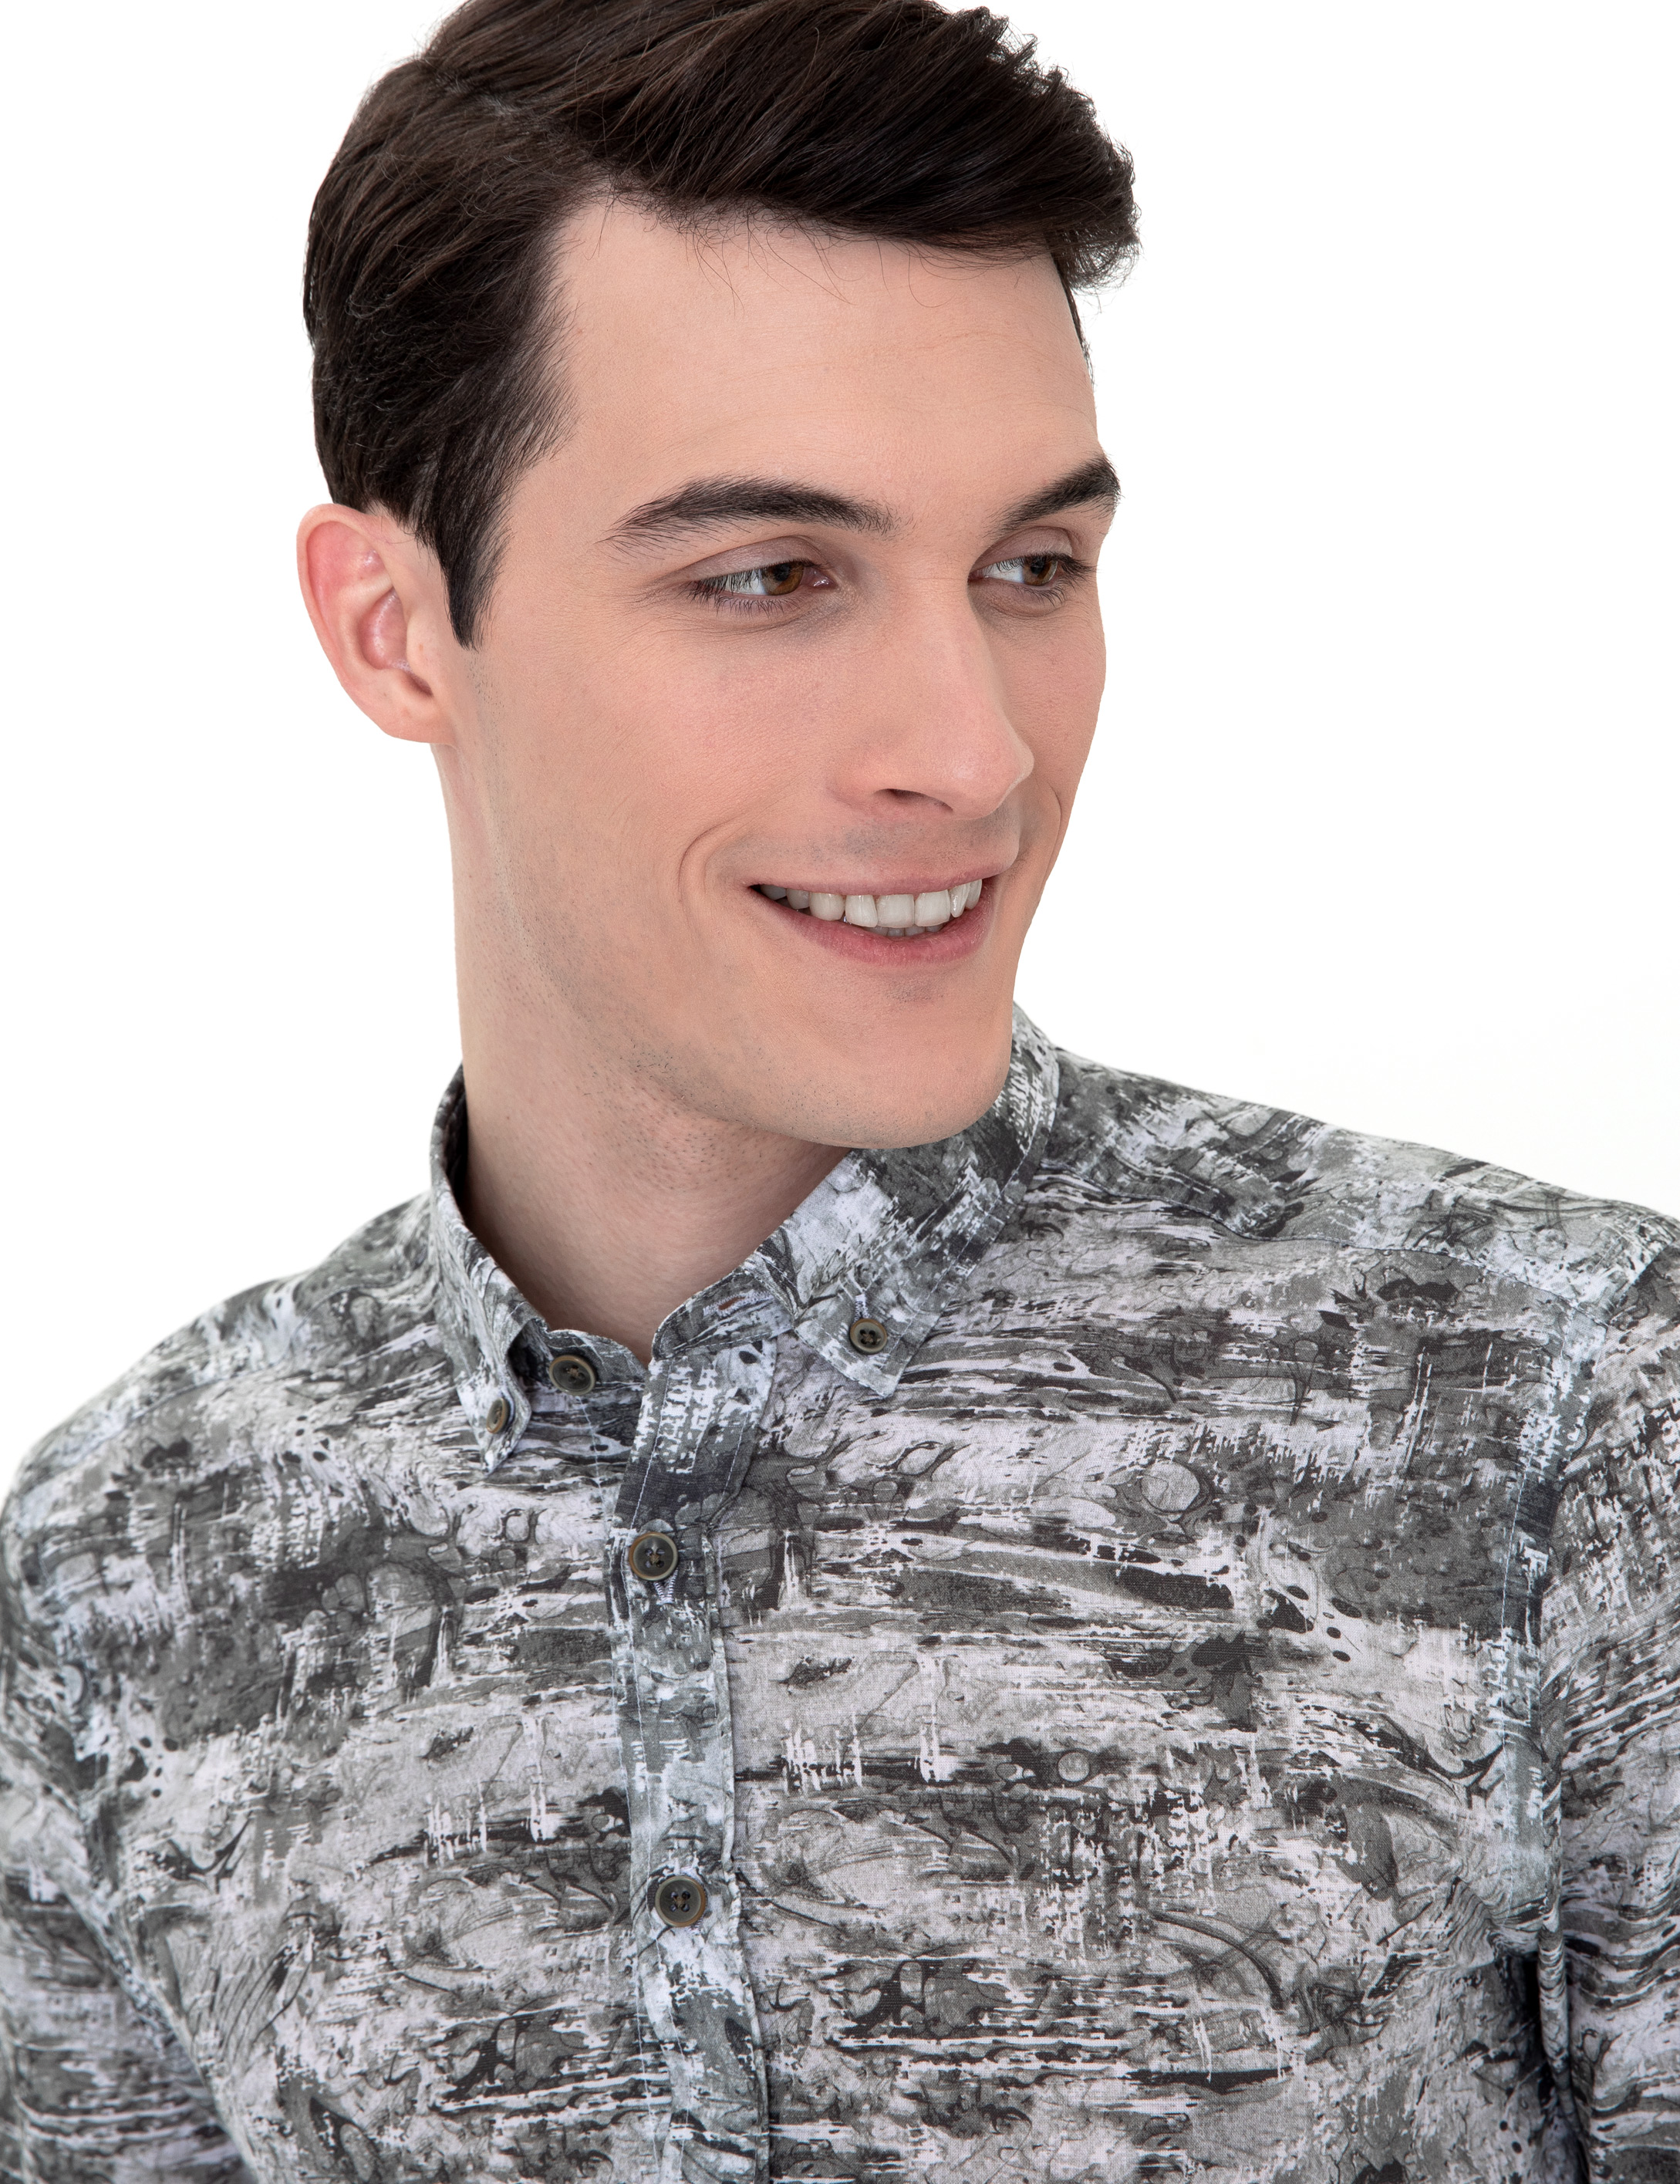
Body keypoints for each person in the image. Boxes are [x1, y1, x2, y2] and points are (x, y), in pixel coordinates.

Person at [1, 0, 1675, 2178]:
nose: (973, 753)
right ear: (394, 627)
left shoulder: (1566, 1416)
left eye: (1030, 569)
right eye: (771, 578)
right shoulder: (117, 1577)